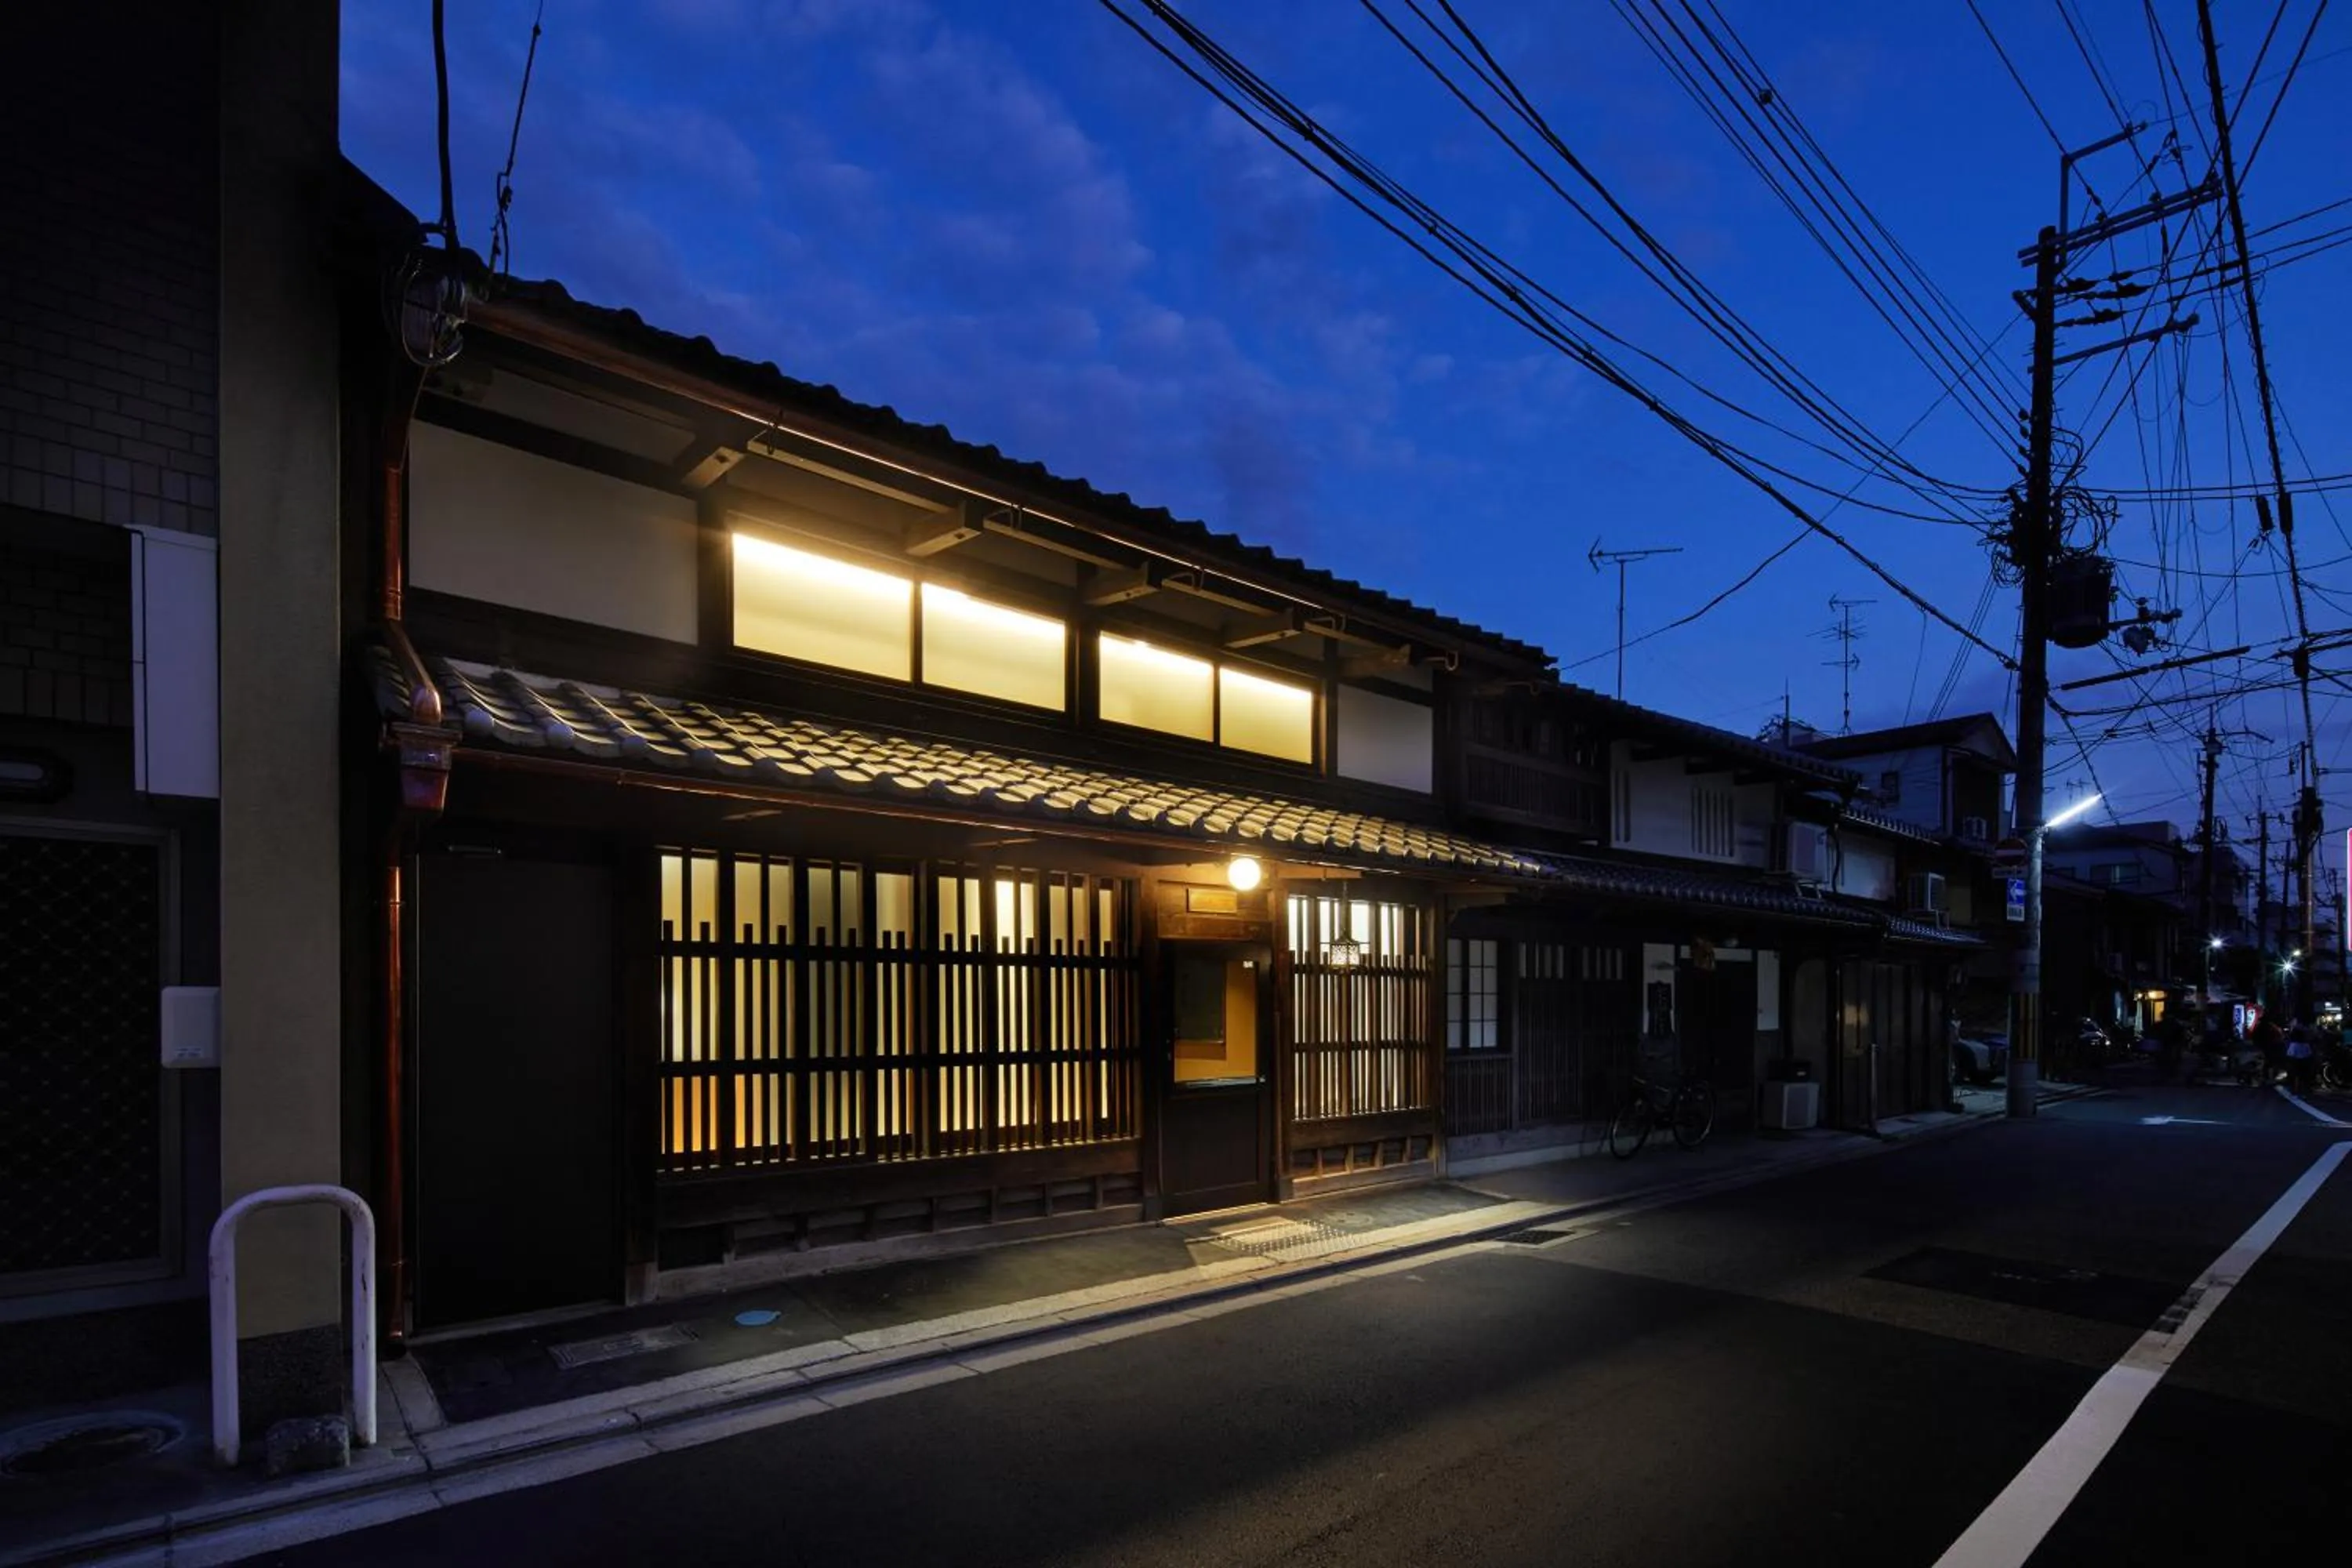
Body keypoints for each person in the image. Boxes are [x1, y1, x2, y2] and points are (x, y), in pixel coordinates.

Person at [2285, 1018, 2315, 1095]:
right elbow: (2309, 1054)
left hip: (2296, 1062)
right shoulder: (2306, 1044)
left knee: (2294, 1076)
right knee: (2304, 1077)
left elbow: (2290, 1055)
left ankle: (2295, 1090)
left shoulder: (2294, 1045)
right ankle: (2305, 1090)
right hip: (2304, 1062)